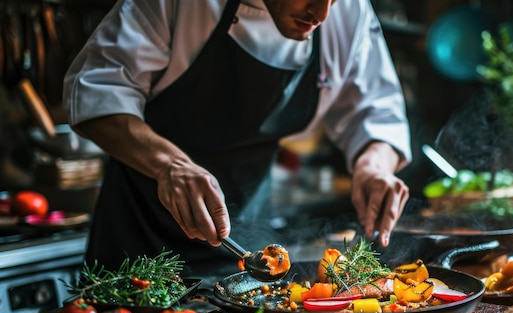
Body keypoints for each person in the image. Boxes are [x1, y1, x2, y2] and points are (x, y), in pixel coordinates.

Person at [63, 0, 412, 276]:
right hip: (136, 246)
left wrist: (373, 167)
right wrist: (170, 165)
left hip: (246, 251)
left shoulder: (347, 10)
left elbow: (376, 114)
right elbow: (96, 92)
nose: (321, 13)